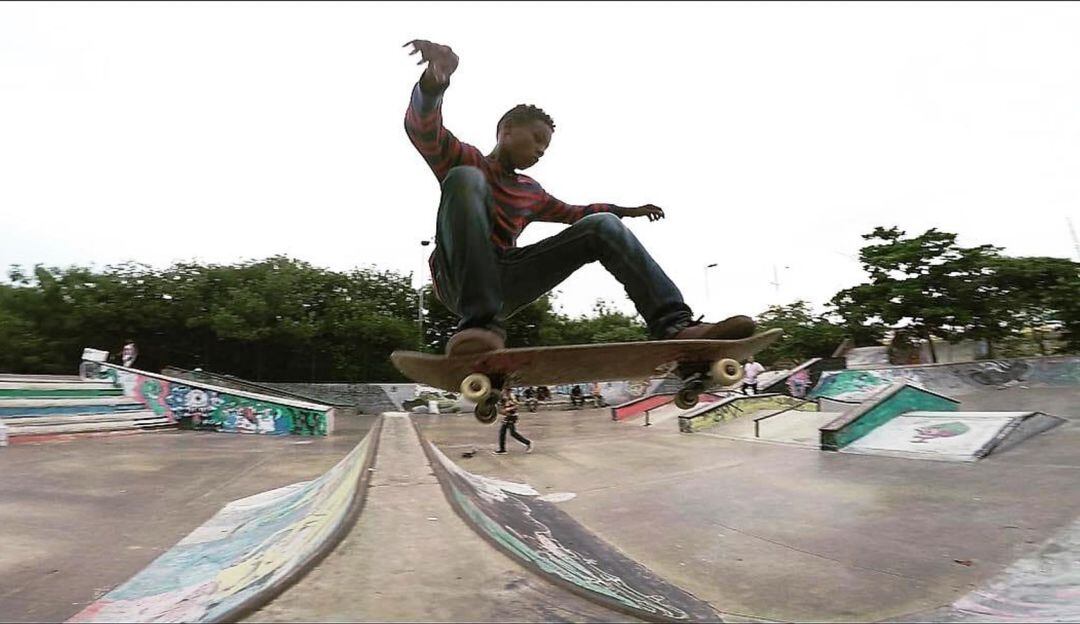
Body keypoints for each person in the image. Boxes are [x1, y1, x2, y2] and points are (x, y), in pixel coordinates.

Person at [402, 40, 756, 356]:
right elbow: (424, 128)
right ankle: (479, 327)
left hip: (507, 278)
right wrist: (436, 80)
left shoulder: (531, 192)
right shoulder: (466, 158)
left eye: (546, 146)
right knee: (465, 179)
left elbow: (578, 213)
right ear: (507, 131)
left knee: (601, 225)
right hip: (458, 277)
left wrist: (624, 211)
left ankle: (675, 326)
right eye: (536, 139)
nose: (541, 151)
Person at [493, 387, 532, 455]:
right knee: (502, 432)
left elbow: (516, 406)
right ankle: (502, 449)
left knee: (513, 433)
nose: (504, 392)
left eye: (506, 390)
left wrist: (507, 410)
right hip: (507, 417)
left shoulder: (512, 397)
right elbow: (501, 407)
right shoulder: (504, 398)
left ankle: (528, 443)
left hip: (512, 416)